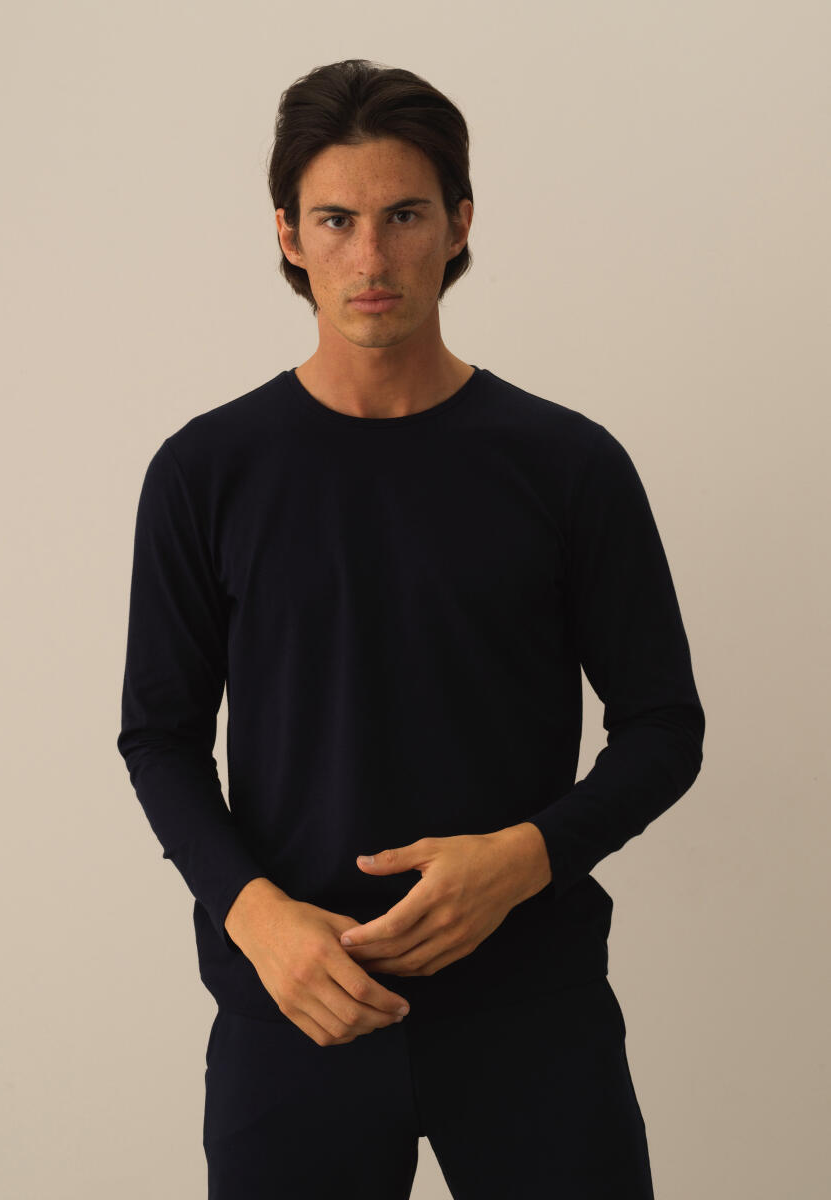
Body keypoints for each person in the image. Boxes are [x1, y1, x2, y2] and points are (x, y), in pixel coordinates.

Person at [116, 58, 705, 1199]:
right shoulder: (206, 472)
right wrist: (258, 922)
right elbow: (159, 737)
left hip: (533, 1013)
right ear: (289, 235)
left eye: (404, 216)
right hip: (296, 1009)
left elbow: (663, 727)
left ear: (459, 224)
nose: (371, 258)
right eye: (336, 220)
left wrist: (523, 860)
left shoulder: (568, 466)